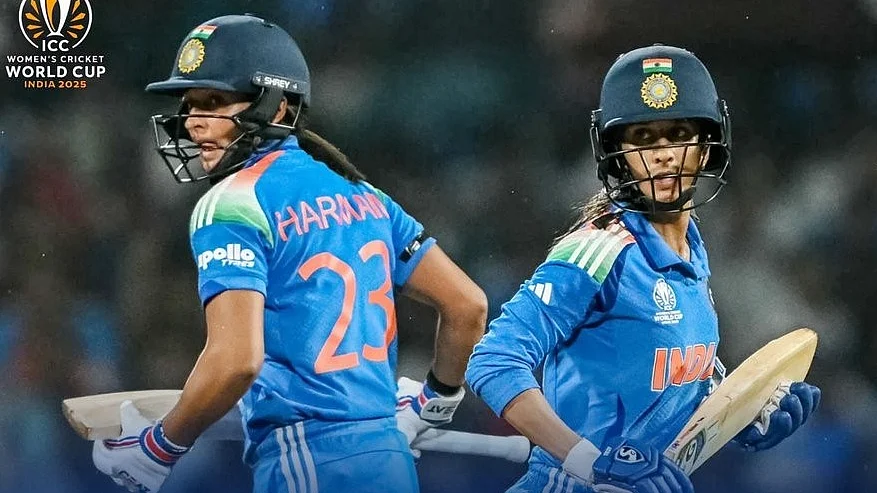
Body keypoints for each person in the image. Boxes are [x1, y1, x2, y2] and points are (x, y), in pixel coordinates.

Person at [92, 14, 487, 493]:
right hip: (389, 461)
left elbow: (236, 360)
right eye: (190, 103)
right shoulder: (367, 196)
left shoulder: (232, 202)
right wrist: (433, 403)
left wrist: (157, 450)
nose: (193, 120)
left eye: (214, 101)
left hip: (310, 461)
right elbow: (468, 306)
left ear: (276, 108)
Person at [465, 44, 821, 493]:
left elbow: (666, 389)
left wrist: (744, 416)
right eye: (644, 138)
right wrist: (589, 462)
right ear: (616, 153)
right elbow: (493, 361)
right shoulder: (596, 251)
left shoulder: (692, 249)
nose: (665, 155)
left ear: (708, 147)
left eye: (679, 134)